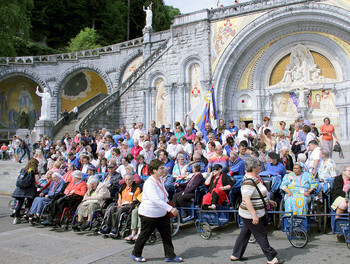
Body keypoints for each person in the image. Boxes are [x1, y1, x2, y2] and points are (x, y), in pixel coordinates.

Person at [231, 157, 283, 264]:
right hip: (250, 214)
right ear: (254, 167)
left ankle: (236, 255)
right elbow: (246, 199)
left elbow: (257, 193)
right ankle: (271, 257)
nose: (261, 167)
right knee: (261, 235)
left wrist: (268, 201)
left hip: (249, 213)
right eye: (259, 166)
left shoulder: (254, 178)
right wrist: (254, 215)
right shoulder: (249, 181)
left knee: (244, 234)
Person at [131, 159, 183, 262]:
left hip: (161, 213)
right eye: (161, 168)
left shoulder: (159, 179)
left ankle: (170, 255)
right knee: (144, 234)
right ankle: (135, 253)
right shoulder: (150, 183)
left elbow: (164, 195)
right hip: (149, 214)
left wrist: (168, 204)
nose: (163, 169)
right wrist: (170, 208)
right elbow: (155, 199)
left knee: (166, 235)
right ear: (154, 170)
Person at [99, 174, 141, 238]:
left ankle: (116, 228)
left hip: (130, 205)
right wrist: (119, 203)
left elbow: (135, 199)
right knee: (112, 208)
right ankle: (108, 226)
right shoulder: (123, 187)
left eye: (129, 179)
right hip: (121, 204)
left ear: (132, 180)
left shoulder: (136, 188)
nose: (127, 181)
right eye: (126, 180)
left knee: (121, 210)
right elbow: (119, 197)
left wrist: (128, 203)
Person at [12, 158, 39, 224]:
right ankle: (28, 216)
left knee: (19, 203)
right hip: (29, 190)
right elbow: (37, 181)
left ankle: (16, 218)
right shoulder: (34, 170)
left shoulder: (23, 169)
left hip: (20, 189)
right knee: (29, 203)